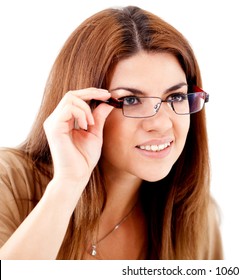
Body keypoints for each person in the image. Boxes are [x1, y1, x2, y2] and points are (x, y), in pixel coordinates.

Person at [0, 5, 223, 260]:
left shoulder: (195, 217)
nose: (161, 124)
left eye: (176, 96)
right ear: (85, 104)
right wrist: (68, 183)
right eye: (130, 100)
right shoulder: (8, 182)